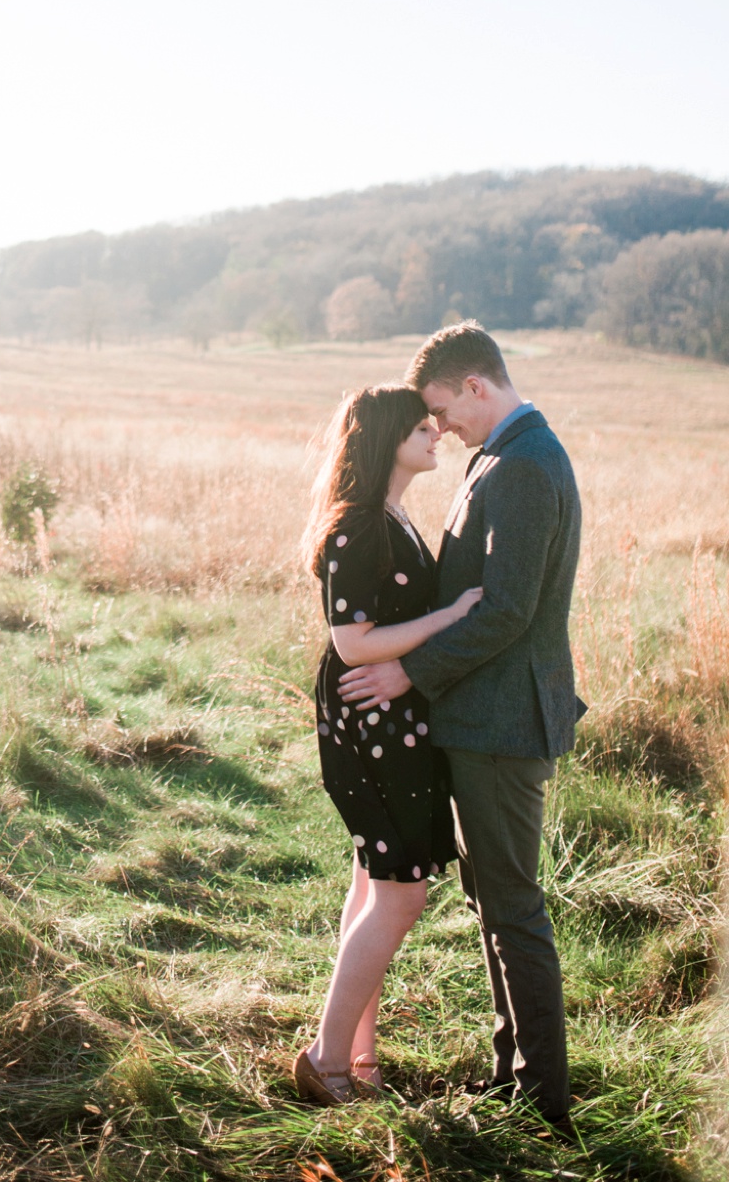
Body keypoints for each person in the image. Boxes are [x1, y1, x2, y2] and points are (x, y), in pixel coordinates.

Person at [338, 322, 584, 1133]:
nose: (440, 429)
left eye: (443, 411)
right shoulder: (499, 456)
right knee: (495, 904)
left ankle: (542, 1101)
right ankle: (513, 1073)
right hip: (482, 720)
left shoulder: (521, 467)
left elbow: (508, 610)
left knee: (513, 907)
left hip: (504, 725)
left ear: (477, 386)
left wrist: (410, 670)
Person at [294, 384, 483, 1106]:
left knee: (374, 883)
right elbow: (352, 641)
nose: (435, 432)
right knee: (401, 895)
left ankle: (357, 1060)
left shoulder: (394, 516)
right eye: (419, 426)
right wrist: (451, 617)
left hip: (392, 721)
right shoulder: (357, 525)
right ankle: (326, 1059)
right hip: (369, 722)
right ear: (385, 438)